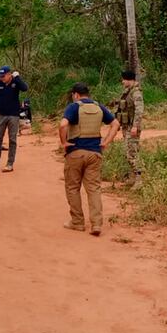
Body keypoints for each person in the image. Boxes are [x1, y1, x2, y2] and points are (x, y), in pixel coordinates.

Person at [60, 83, 119, 236]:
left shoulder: (74, 107)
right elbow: (115, 124)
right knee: (93, 189)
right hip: (95, 153)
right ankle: (96, 224)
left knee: (73, 188)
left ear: (76, 95)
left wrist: (64, 143)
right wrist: (105, 142)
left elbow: (63, 125)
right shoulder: (99, 107)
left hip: (76, 152)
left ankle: (78, 222)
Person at [0, 66, 29, 172]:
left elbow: (25, 88)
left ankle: (10, 163)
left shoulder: (16, 82)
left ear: (9, 74)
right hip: (1, 114)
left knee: (12, 140)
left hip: (13, 115)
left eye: (3, 76)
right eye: (0, 76)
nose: (2, 78)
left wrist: (17, 77)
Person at [114, 69, 144, 186]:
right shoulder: (127, 92)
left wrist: (135, 126)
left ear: (129, 80)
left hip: (132, 127)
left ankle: (139, 179)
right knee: (128, 151)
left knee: (132, 152)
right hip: (127, 127)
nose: (122, 82)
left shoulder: (135, 93)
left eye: (124, 79)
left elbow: (139, 110)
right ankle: (132, 178)